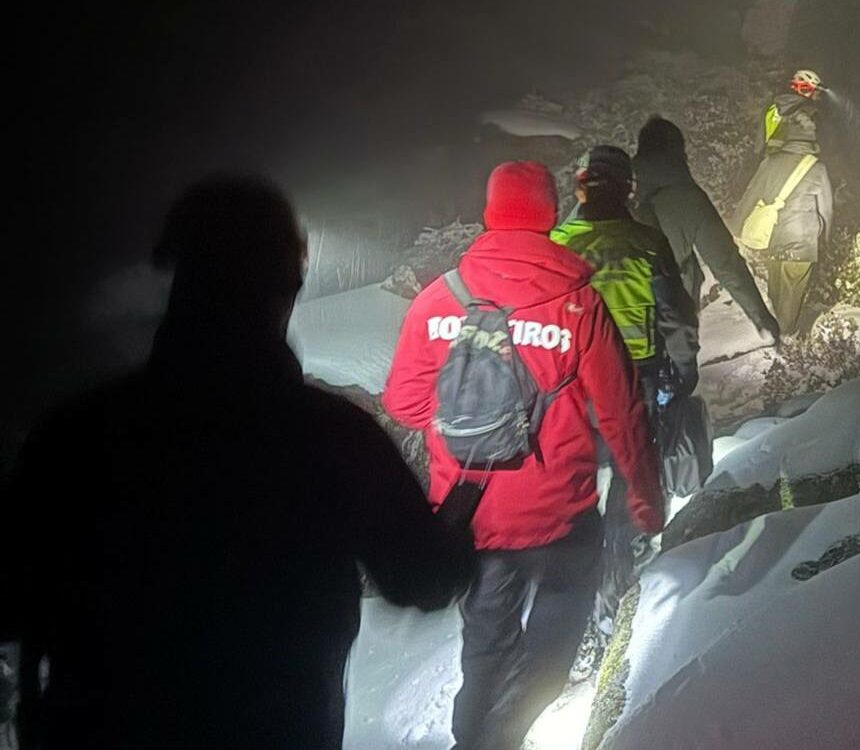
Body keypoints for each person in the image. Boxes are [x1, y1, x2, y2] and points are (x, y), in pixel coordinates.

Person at [3, 175, 475, 750]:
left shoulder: (78, 431)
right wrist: (459, 523)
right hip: (276, 727)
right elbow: (422, 578)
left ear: (177, 274)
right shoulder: (332, 436)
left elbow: (12, 598)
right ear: (290, 282)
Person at [383, 161, 665, 750]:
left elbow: (404, 404)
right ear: (550, 214)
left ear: (490, 213)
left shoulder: (440, 298)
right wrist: (643, 494)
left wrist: (464, 416)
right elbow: (622, 410)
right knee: (555, 640)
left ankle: (473, 739)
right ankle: (505, 735)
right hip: (560, 514)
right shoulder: (578, 304)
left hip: (471, 516)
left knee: (485, 644)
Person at [550, 145, 699, 641]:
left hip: (568, 390)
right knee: (627, 492)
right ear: (629, 190)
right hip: (637, 383)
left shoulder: (557, 245)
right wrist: (685, 373)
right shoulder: (648, 243)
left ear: (580, 186)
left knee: (571, 497)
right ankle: (612, 596)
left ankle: (567, 603)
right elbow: (676, 318)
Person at [632, 116, 781, 344]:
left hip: (619, 319)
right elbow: (726, 263)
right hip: (671, 318)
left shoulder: (620, 191)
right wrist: (761, 318)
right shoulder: (688, 197)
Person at [734, 69, 836, 337]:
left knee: (776, 294)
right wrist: (825, 239)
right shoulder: (818, 168)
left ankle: (773, 339)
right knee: (790, 304)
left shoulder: (771, 160)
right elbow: (826, 210)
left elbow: (751, 196)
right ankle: (784, 345)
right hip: (803, 244)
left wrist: (735, 230)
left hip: (775, 238)